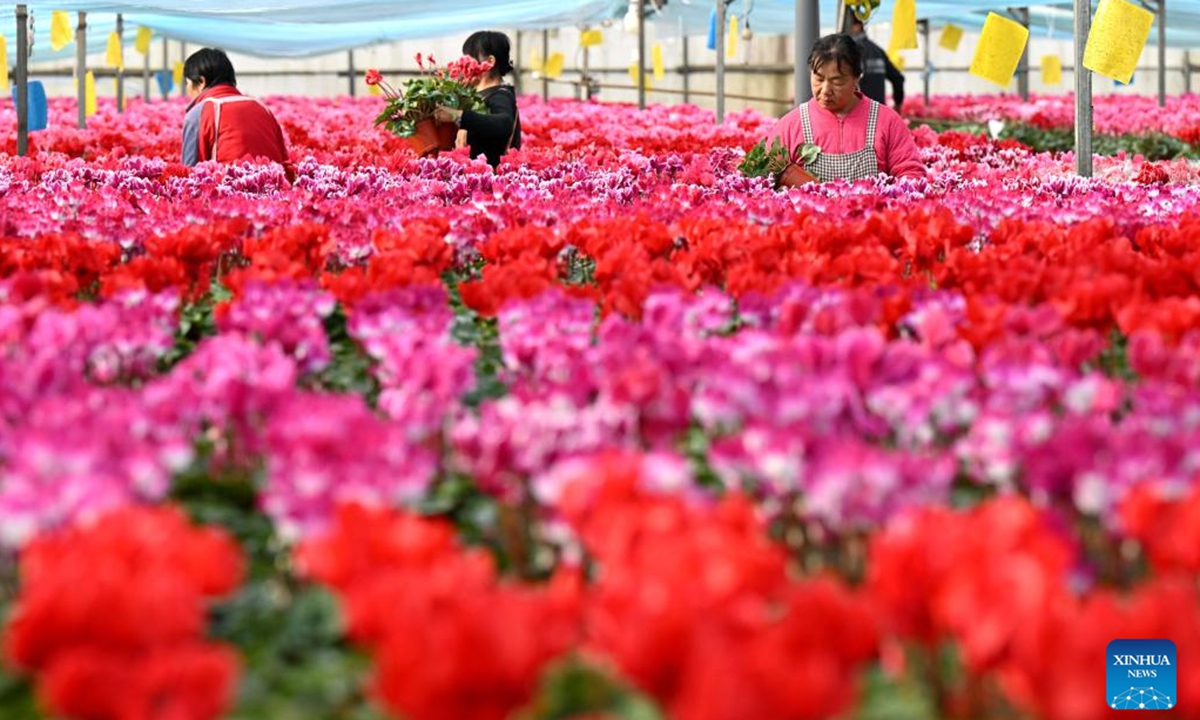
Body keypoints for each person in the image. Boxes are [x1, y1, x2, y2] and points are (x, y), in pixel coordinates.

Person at [767, 34, 923, 182]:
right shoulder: (791, 125)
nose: (825, 90)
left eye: (837, 82)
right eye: (818, 79)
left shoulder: (887, 122)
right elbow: (768, 176)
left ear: (857, 78)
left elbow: (910, 175)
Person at [181, 48, 293, 178]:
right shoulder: (263, 108)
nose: (186, 89)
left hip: (225, 194)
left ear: (201, 82)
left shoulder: (200, 114)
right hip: (274, 193)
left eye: (187, 83)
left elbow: (190, 174)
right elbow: (285, 164)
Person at [432, 31, 522, 168]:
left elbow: (504, 123)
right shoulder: (474, 95)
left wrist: (458, 116)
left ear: (489, 62)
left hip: (489, 179)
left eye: (470, 59)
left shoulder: (500, 95)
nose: (465, 65)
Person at [848, 15, 905, 113]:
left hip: (857, 115)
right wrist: (897, 105)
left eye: (847, 27)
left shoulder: (849, 51)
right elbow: (898, 78)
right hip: (878, 114)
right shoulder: (877, 50)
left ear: (857, 26)